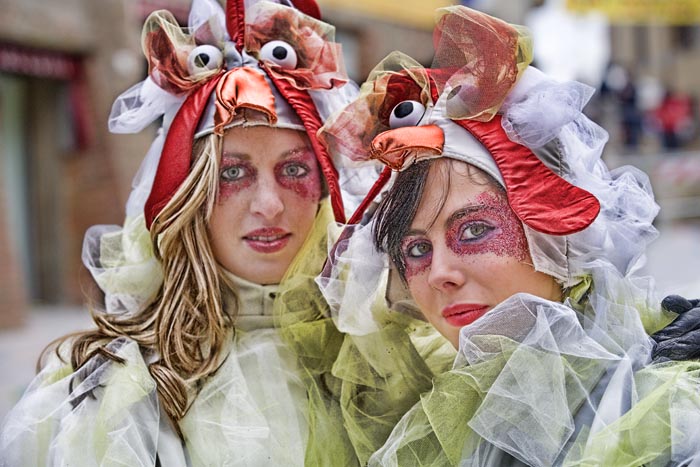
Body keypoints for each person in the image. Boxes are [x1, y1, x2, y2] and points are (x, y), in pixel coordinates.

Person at [319, 6, 700, 466]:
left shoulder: (667, 412)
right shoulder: (423, 407)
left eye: (474, 230)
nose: (439, 273)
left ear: (558, 237)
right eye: (416, 248)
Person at [0, 0, 364, 465]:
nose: (269, 205)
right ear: (187, 196)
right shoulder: (120, 390)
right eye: (232, 174)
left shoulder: (376, 355)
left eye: (293, 169)